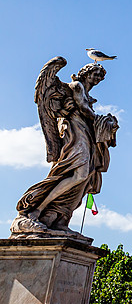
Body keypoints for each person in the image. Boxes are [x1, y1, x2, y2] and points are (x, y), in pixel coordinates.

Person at [13, 60, 118, 236]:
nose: (98, 78)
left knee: (84, 177)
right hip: (74, 131)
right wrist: (103, 121)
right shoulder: (76, 86)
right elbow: (84, 109)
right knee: (79, 172)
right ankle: (35, 210)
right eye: (96, 74)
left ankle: (58, 218)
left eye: (101, 77)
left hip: (85, 131)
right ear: (86, 72)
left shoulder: (87, 93)